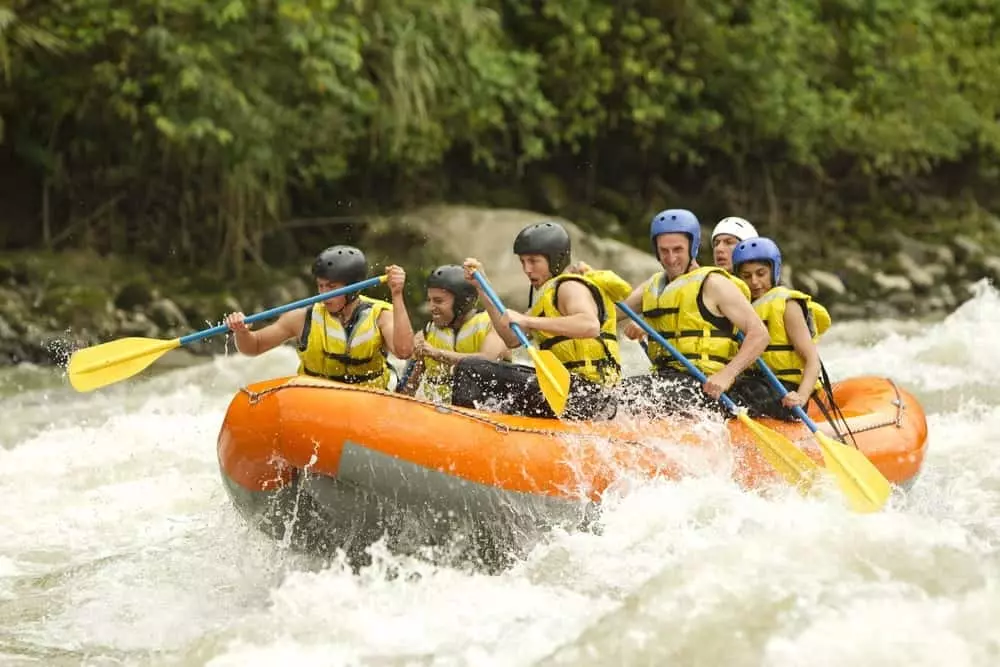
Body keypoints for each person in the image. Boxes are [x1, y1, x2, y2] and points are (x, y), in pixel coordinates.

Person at [452, 221, 625, 420]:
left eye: (534, 261)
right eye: (523, 262)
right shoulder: (543, 299)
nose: (527, 269)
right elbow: (511, 339)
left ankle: (464, 427)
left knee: (471, 368)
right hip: (566, 390)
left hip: (589, 394)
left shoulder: (569, 287)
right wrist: (483, 289)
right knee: (482, 371)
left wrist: (529, 321)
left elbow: (589, 325)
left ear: (555, 261)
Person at [617, 209, 770, 418]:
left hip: (704, 387)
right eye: (664, 251)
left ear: (693, 247)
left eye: (678, 250)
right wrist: (585, 285)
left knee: (631, 399)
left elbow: (759, 334)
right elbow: (611, 312)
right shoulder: (653, 286)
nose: (671, 259)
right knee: (615, 394)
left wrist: (726, 375)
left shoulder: (714, 283)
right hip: (664, 380)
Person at [223, 245, 414, 389]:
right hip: (316, 403)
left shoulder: (380, 315)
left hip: (367, 404)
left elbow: (404, 351)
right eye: (320, 286)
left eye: (331, 287)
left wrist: (397, 294)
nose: (323, 294)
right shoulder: (301, 318)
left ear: (353, 288)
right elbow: (254, 346)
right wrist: (242, 332)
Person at [731, 237, 832, 420]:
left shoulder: (787, 305)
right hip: (753, 385)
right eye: (746, 276)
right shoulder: (740, 307)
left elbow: (812, 360)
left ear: (774, 271)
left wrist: (800, 396)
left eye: (761, 273)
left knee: (741, 395)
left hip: (784, 391)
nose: (754, 282)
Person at [397, 264, 511, 401]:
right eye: (430, 300)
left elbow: (487, 360)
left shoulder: (493, 325)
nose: (431, 307)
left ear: (462, 302)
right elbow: (406, 390)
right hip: (438, 414)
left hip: (484, 412)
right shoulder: (426, 334)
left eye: (438, 301)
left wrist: (438, 354)